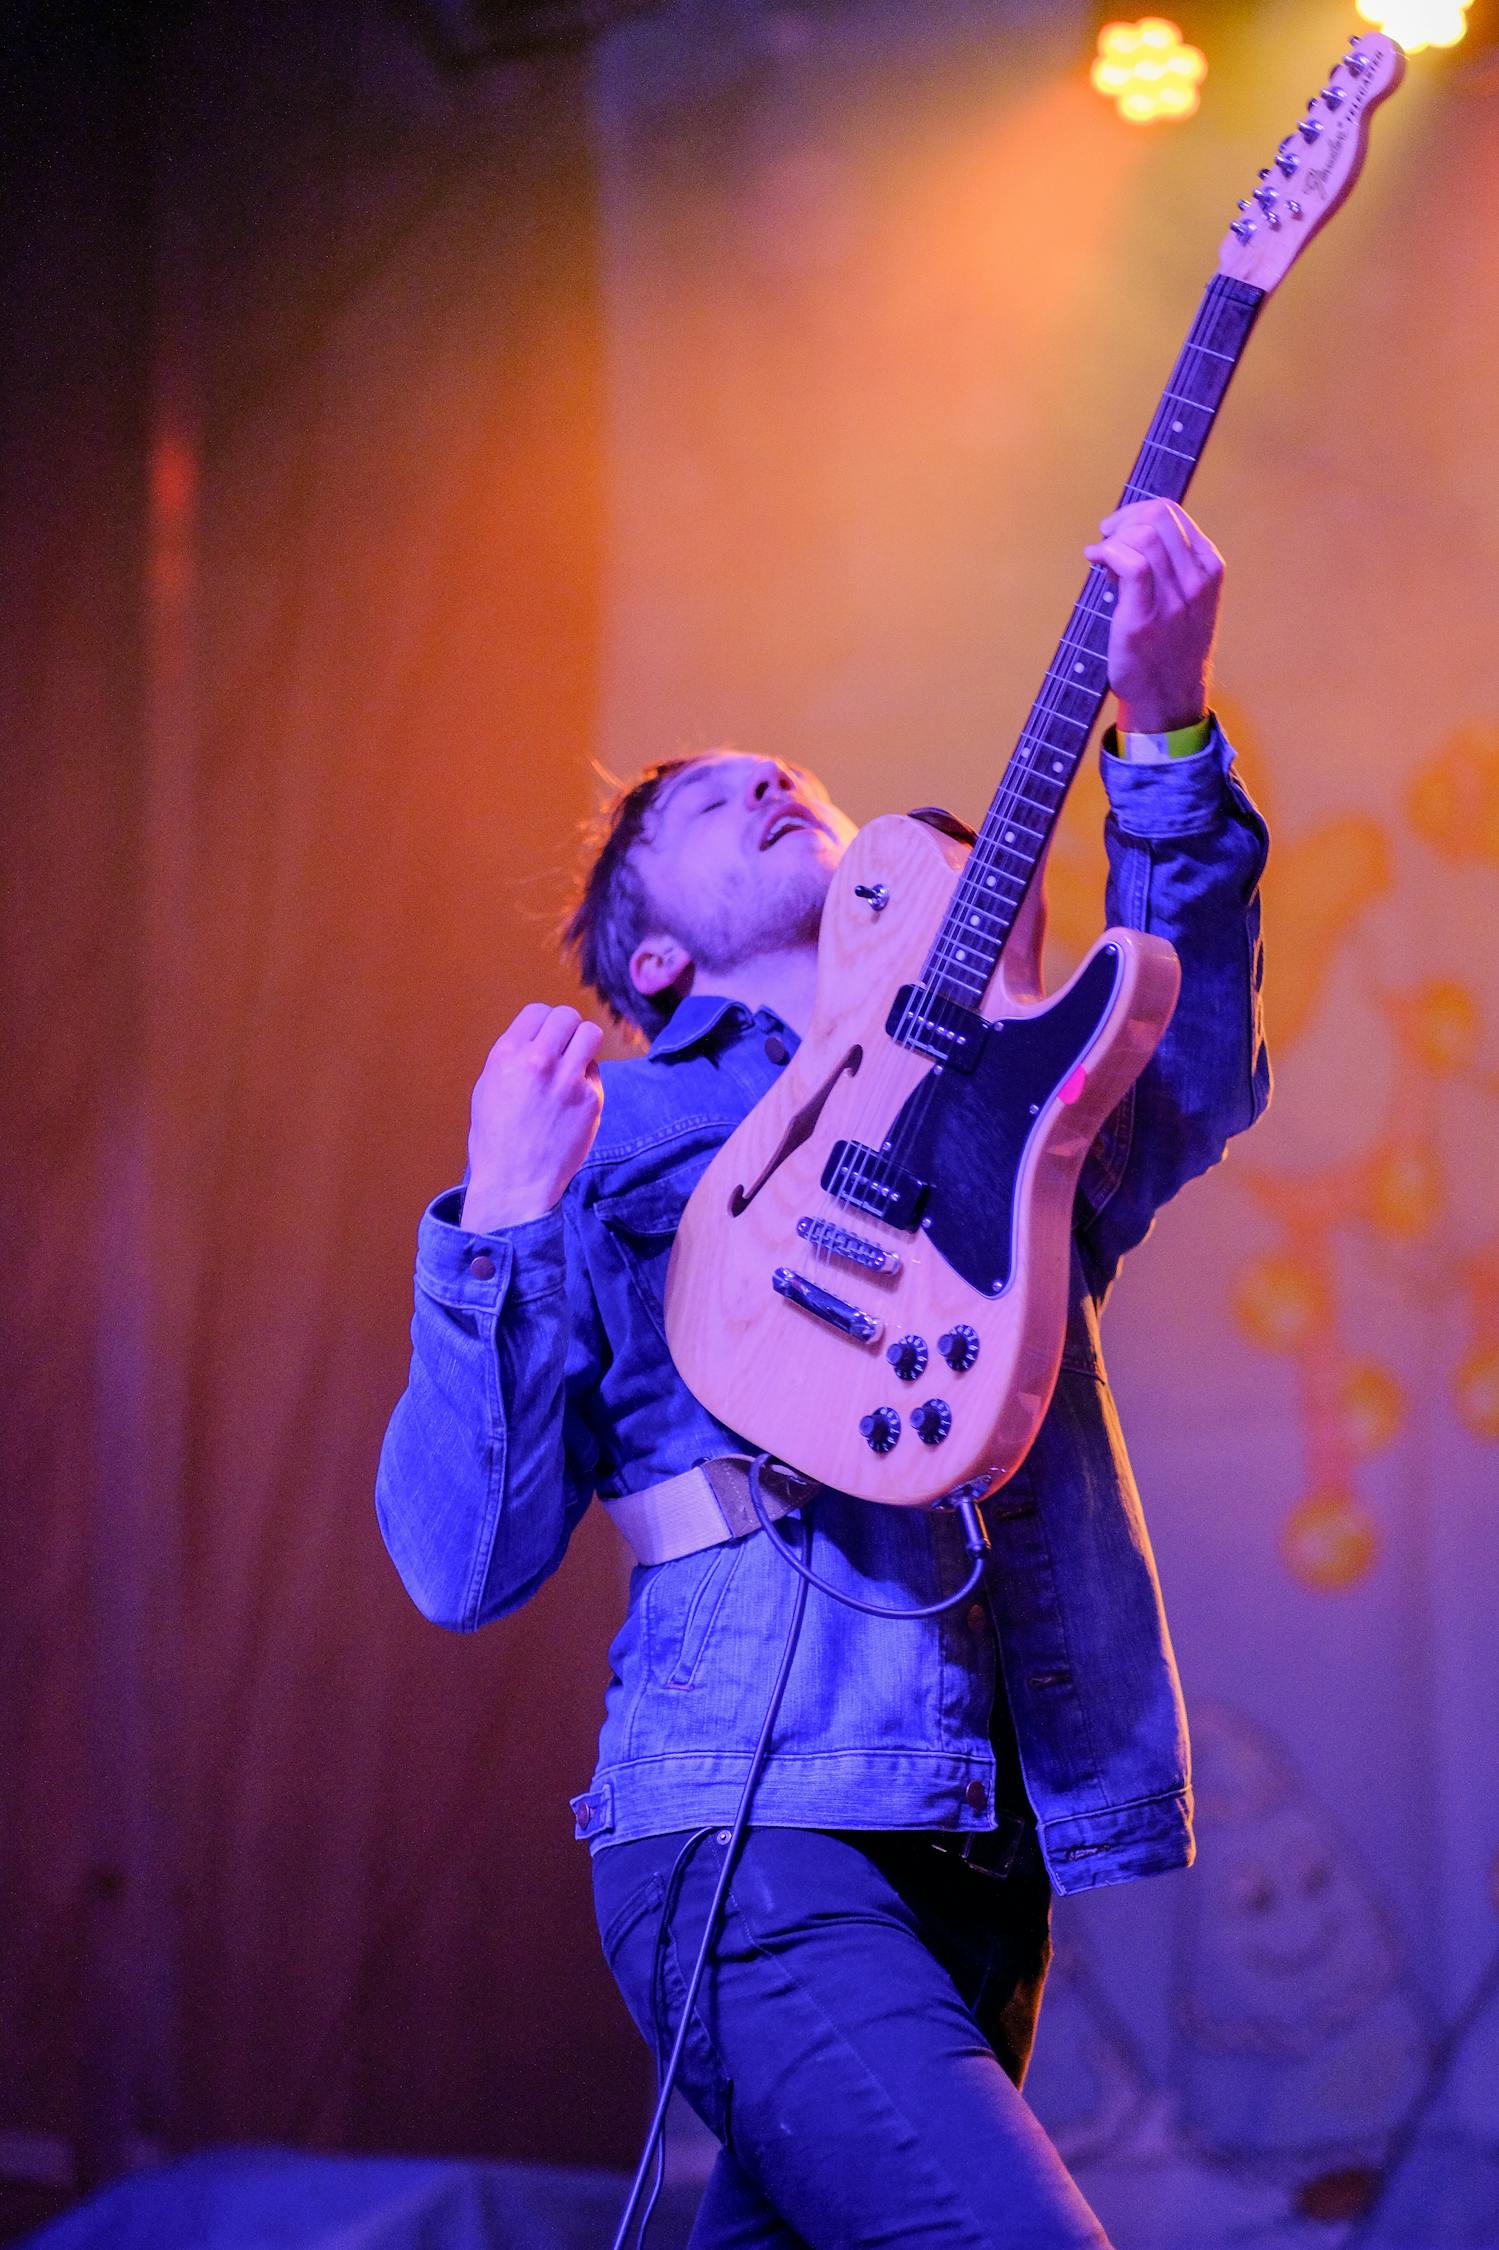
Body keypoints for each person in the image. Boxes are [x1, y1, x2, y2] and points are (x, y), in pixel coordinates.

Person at [376, 496, 1271, 2248]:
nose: (770, 782)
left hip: (983, 1854)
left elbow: (1189, 1073)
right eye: (706, 803)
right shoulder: (619, 1127)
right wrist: (498, 1221)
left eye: (787, 773)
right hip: (751, 1828)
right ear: (653, 957)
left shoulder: (1014, 1094)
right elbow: (460, 1557)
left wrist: (1166, 732)